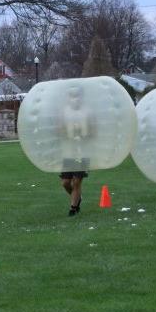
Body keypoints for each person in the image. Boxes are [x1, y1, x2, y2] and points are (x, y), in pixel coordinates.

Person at [59, 86, 92, 216]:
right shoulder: (64, 112)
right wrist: (67, 132)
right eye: (72, 96)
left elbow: (93, 131)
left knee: (77, 181)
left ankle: (73, 208)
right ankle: (78, 197)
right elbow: (59, 129)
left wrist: (83, 134)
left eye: (77, 95)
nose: (74, 99)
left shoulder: (87, 112)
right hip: (68, 152)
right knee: (66, 183)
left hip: (82, 151)